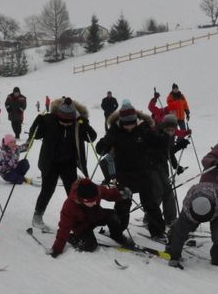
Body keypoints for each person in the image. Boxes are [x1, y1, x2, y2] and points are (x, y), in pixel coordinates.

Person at [95, 99, 167, 238]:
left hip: (143, 173)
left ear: (135, 120)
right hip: (124, 174)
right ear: (121, 122)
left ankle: (158, 231)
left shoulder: (143, 128)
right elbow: (100, 148)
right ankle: (117, 230)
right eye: (126, 125)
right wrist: (105, 143)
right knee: (123, 204)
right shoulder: (115, 130)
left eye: (131, 124)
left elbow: (158, 142)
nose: (129, 127)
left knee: (150, 203)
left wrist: (165, 137)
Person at [29, 97, 97, 231]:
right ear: (57, 115)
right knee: (47, 189)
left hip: (68, 162)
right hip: (50, 162)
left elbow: (92, 138)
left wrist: (85, 124)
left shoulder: (77, 122)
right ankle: (37, 216)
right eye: (62, 121)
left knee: (73, 192)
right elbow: (34, 135)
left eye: (68, 122)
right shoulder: (49, 120)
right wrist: (38, 122)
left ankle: (76, 218)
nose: (65, 124)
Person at [165, 182, 218, 269]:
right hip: (196, 207)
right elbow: (179, 231)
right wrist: (174, 257)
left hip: (217, 209)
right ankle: (171, 246)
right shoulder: (187, 210)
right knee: (181, 228)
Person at [49, 178, 129, 257]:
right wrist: (56, 249)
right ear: (81, 200)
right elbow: (64, 228)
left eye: (95, 199)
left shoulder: (97, 190)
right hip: (82, 226)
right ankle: (73, 238)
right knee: (90, 246)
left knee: (113, 216)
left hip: (96, 215)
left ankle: (117, 236)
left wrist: (121, 194)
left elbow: (109, 193)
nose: (94, 203)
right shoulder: (69, 205)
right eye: (90, 201)